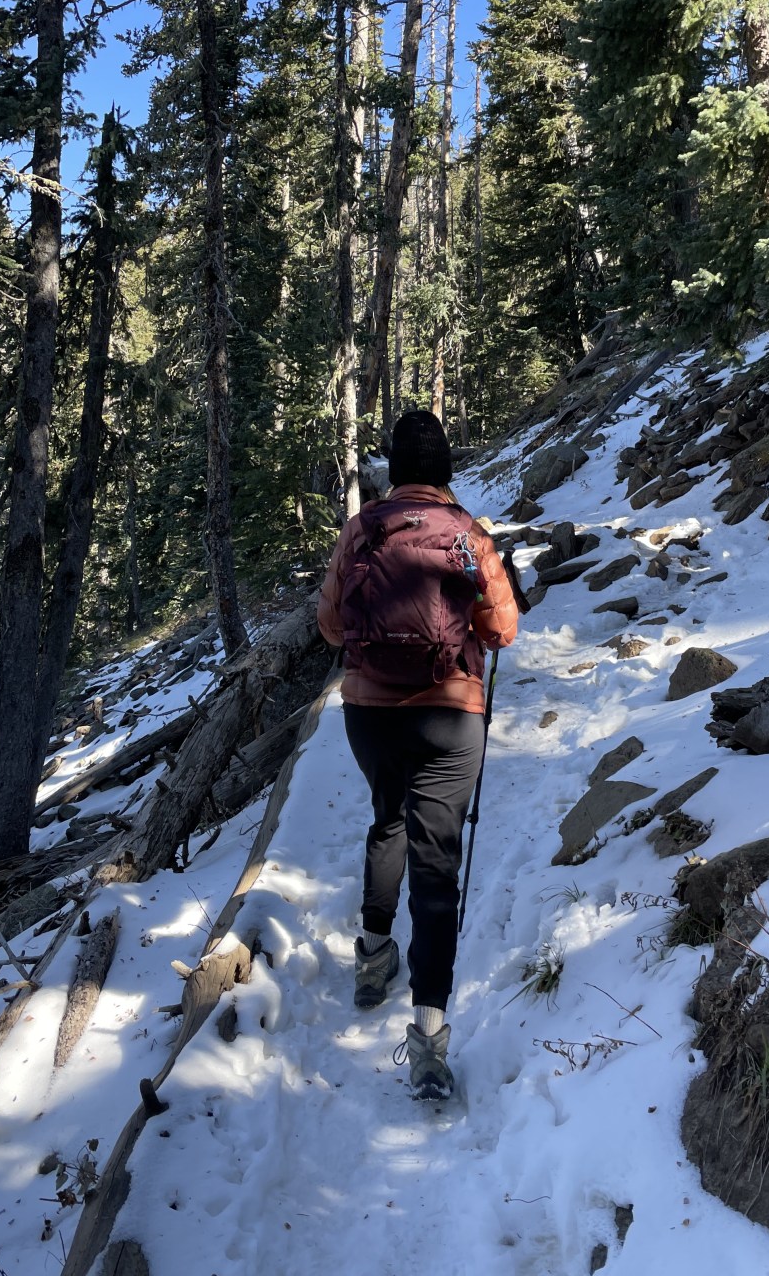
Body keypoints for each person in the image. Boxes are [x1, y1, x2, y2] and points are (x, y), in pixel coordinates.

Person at [317, 410, 518, 1099]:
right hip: (450, 712)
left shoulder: (362, 529)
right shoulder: (468, 534)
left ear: (395, 469)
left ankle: (374, 958)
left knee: (386, 820)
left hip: (370, 713)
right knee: (438, 867)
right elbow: (503, 630)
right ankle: (428, 1041)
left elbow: (330, 623)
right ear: (447, 469)